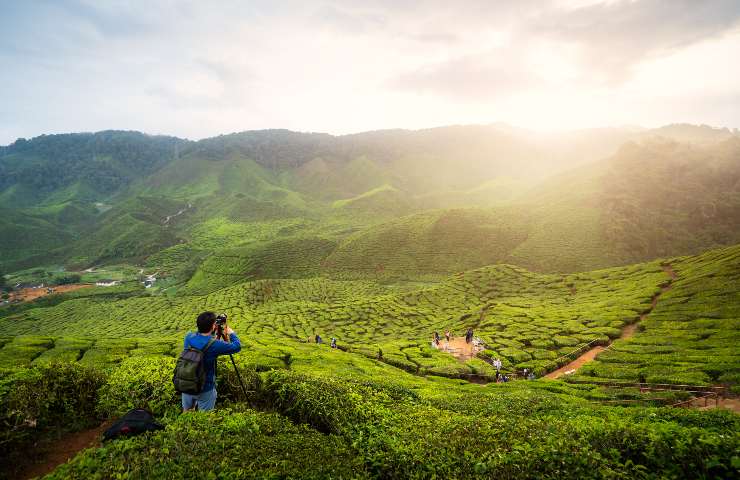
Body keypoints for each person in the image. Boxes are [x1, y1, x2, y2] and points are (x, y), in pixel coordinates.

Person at [181, 311, 241, 412]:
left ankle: (185, 426)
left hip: (187, 383)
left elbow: (202, 337)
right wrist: (231, 333)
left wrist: (212, 329)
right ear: (213, 326)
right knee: (204, 419)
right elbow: (237, 346)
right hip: (205, 389)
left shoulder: (189, 336)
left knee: (187, 412)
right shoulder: (215, 345)